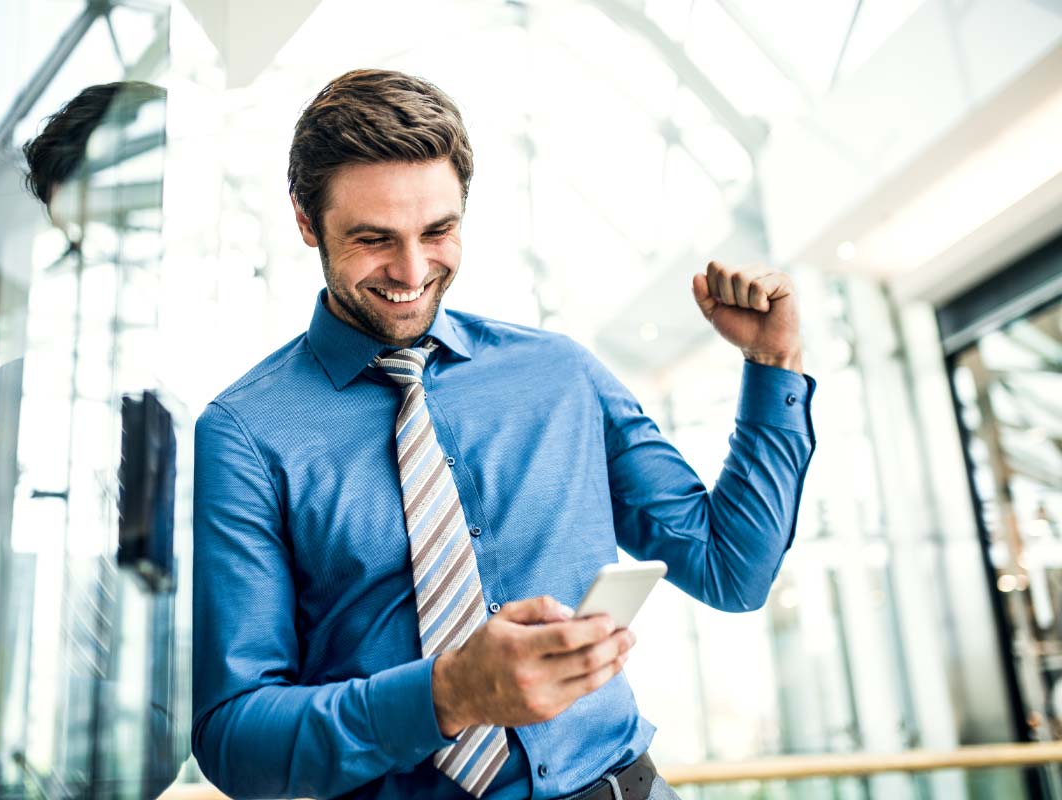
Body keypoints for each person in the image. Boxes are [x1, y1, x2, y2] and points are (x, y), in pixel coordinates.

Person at [191, 69, 816, 800]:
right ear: (305, 219)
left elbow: (730, 570)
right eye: (372, 239)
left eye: (439, 231)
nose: (413, 270)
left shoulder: (560, 376)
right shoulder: (245, 434)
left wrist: (773, 365)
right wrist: (448, 694)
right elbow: (235, 741)